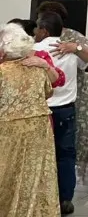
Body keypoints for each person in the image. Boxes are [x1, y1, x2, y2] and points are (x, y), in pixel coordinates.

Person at [35, 2, 88, 204]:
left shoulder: (73, 36)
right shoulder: (38, 41)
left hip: (77, 93)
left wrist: (75, 48)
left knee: (85, 136)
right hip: (52, 96)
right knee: (62, 146)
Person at [0, 24, 61, 217]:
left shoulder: (2, 72)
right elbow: (49, 90)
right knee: (37, 175)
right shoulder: (37, 69)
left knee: (7, 174)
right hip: (38, 130)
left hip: (8, 130)